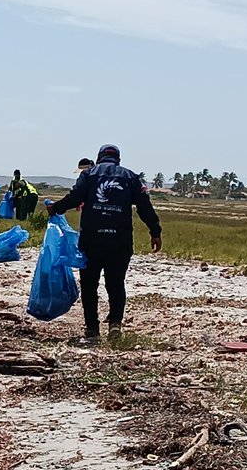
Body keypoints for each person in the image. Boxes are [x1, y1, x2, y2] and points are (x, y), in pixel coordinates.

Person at [45, 144, 162, 340]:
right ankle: (115, 324)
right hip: (120, 241)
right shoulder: (130, 177)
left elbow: (75, 197)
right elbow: (144, 207)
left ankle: (92, 329)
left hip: (92, 240)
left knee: (90, 284)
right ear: (118, 159)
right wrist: (155, 231)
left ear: (99, 158)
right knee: (116, 283)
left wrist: (56, 208)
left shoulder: (89, 175)